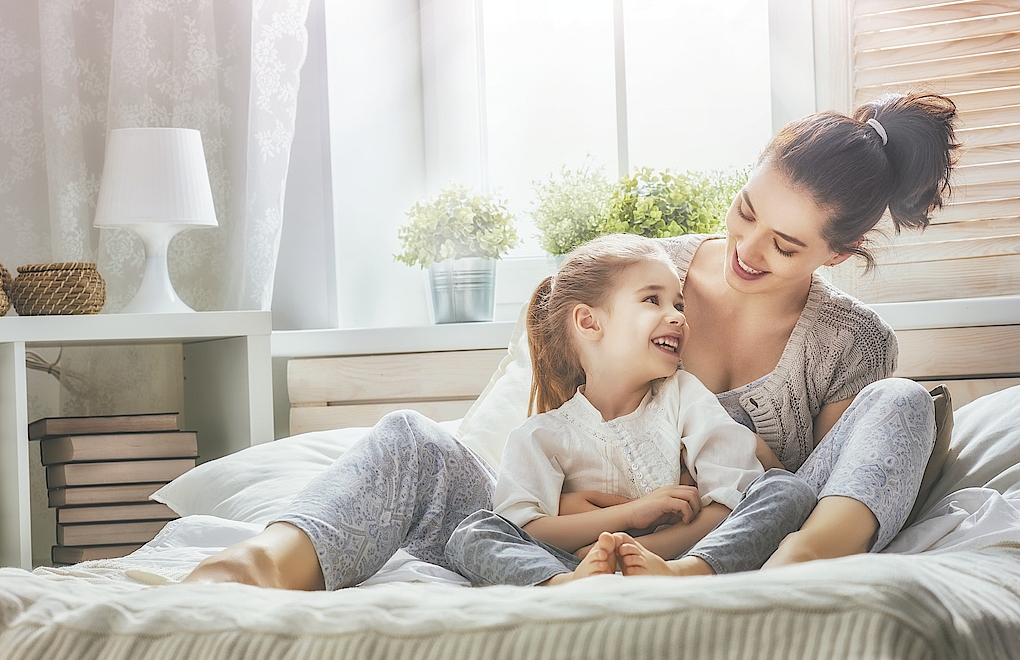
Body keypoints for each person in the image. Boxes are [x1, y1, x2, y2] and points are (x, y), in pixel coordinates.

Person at [183, 91, 956, 590]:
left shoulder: (852, 341)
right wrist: (577, 514)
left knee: (901, 402)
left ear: (839, 254)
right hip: (556, 538)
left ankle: (801, 580)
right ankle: (254, 567)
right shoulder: (648, 275)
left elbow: (811, 490)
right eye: (744, 209)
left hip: (725, 549)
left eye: (785, 246)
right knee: (409, 440)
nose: (749, 248)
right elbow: (557, 421)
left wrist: (692, 528)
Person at [443, 234, 817, 587]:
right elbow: (525, 528)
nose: (679, 317)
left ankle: (680, 575)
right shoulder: (541, 435)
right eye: (653, 300)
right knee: (473, 532)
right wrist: (630, 515)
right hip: (570, 565)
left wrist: (645, 555)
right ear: (589, 322)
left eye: (679, 304)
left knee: (786, 489)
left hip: (684, 557)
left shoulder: (684, 396)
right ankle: (564, 586)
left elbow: (731, 497)